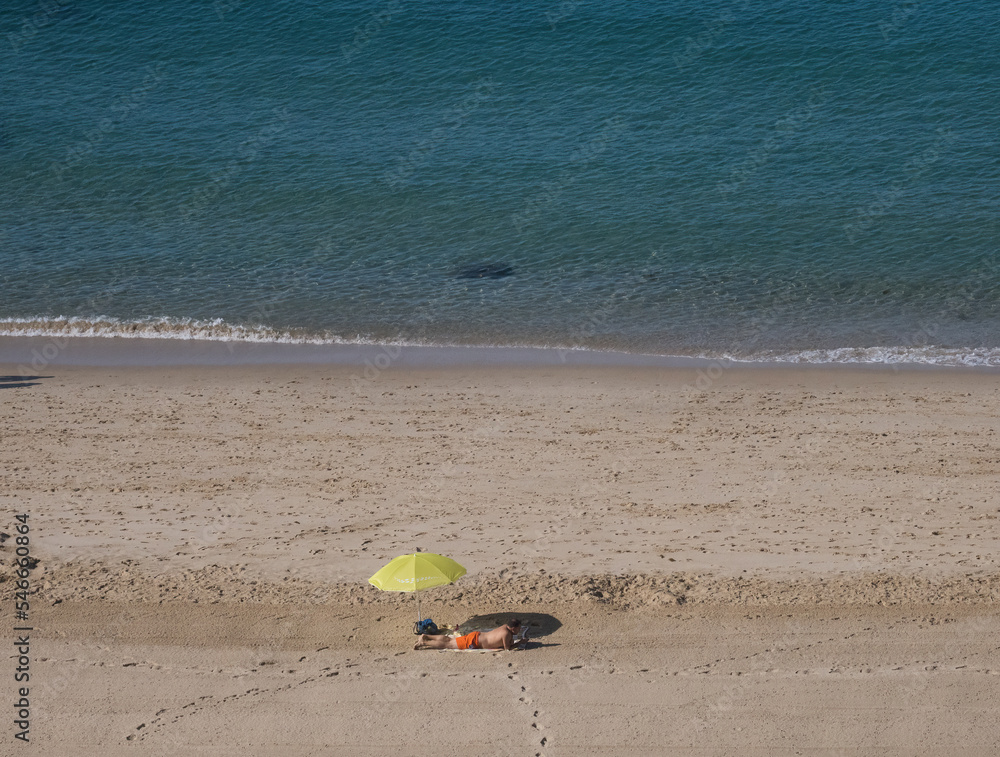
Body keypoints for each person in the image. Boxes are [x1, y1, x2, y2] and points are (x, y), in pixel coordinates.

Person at [414, 618, 524, 651]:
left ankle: (427, 636)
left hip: (476, 636)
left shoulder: (505, 627)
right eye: (518, 629)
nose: (520, 630)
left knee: (448, 639)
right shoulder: (506, 634)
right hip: (474, 642)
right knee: (448, 644)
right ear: (513, 628)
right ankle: (424, 642)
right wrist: (520, 643)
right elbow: (507, 649)